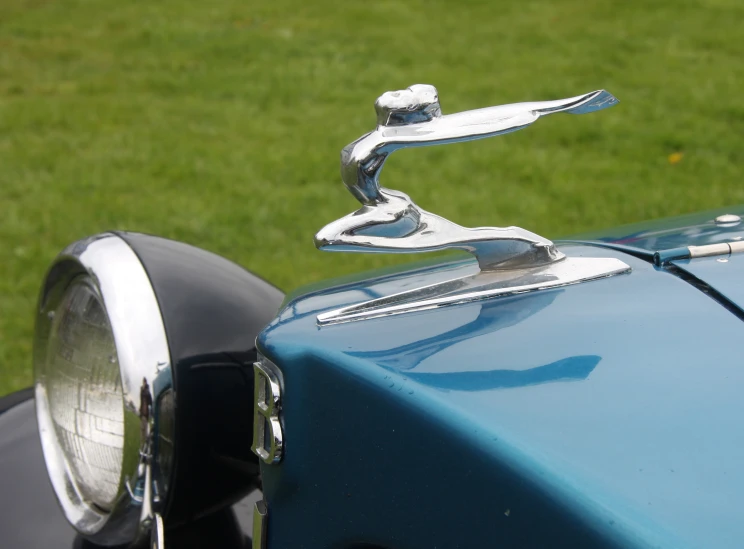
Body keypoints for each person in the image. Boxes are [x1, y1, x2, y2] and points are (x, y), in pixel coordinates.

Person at [315, 84, 617, 270]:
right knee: (329, 238)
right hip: (387, 204)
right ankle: (467, 239)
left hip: (389, 208)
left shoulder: (401, 135)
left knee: (328, 238)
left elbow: (482, 122)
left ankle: (467, 240)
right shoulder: (384, 134)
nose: (396, 94)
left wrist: (566, 105)